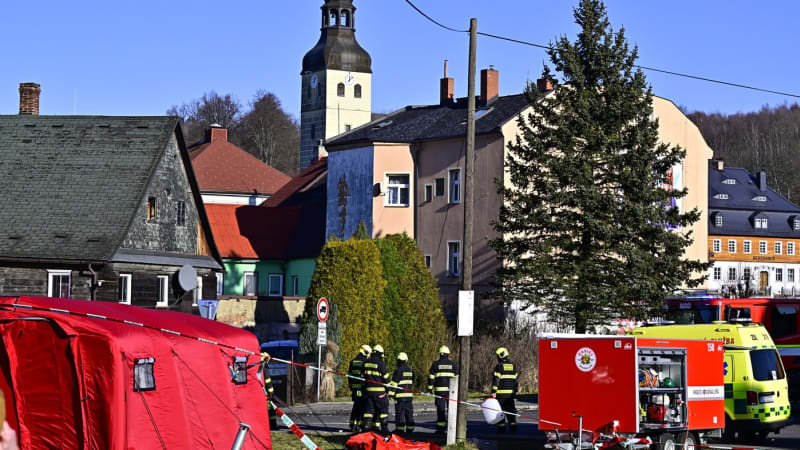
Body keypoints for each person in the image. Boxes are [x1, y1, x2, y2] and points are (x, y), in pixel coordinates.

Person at [428, 345, 458, 434]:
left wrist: (430, 389)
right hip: (451, 392)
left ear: (440, 354)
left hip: (439, 392)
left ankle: (441, 430)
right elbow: (457, 379)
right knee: (451, 410)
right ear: (448, 354)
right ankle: (452, 429)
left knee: (441, 410)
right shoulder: (453, 365)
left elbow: (431, 378)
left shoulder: (435, 364)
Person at [362, 344, 391, 434]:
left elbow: (362, 376)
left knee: (369, 411)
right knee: (383, 410)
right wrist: (388, 389)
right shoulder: (381, 363)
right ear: (380, 354)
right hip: (380, 392)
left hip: (368, 392)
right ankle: (384, 428)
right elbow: (386, 378)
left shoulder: (366, 362)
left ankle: (366, 428)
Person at [491, 347, 519, 433]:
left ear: (500, 356)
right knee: (511, 412)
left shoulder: (499, 366)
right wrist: (515, 392)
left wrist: (493, 391)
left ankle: (501, 429)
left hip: (500, 394)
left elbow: (496, 380)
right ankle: (513, 428)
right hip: (510, 395)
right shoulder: (513, 366)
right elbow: (516, 381)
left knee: (500, 412)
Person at [388, 352, 415, 434]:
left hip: (400, 397)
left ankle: (400, 429)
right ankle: (410, 429)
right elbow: (412, 382)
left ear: (399, 361)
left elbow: (394, 385)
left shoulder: (398, 371)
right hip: (409, 397)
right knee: (409, 413)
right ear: (406, 360)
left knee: (400, 413)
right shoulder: (411, 371)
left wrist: (391, 395)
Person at [348, 344, 371, 431]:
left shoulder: (353, 361)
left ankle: (353, 424)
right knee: (362, 407)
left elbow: (349, 376)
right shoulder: (366, 362)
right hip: (362, 388)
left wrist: (351, 387)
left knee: (356, 407)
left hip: (355, 388)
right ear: (366, 352)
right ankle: (361, 425)